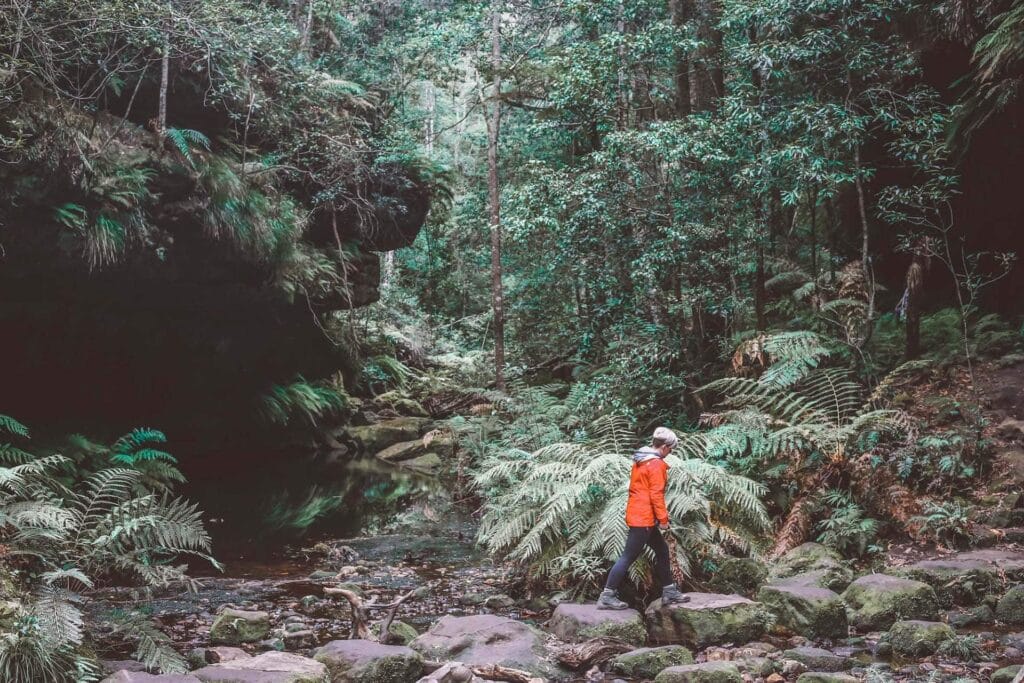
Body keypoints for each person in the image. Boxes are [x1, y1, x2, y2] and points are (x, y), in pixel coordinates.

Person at [596, 426, 690, 610]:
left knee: (662, 550)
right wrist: (663, 520)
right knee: (628, 557)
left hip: (638, 514)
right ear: (664, 447)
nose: (670, 453)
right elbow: (656, 494)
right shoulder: (656, 464)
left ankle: (669, 591)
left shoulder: (641, 459)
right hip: (644, 518)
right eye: (671, 449)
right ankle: (607, 595)